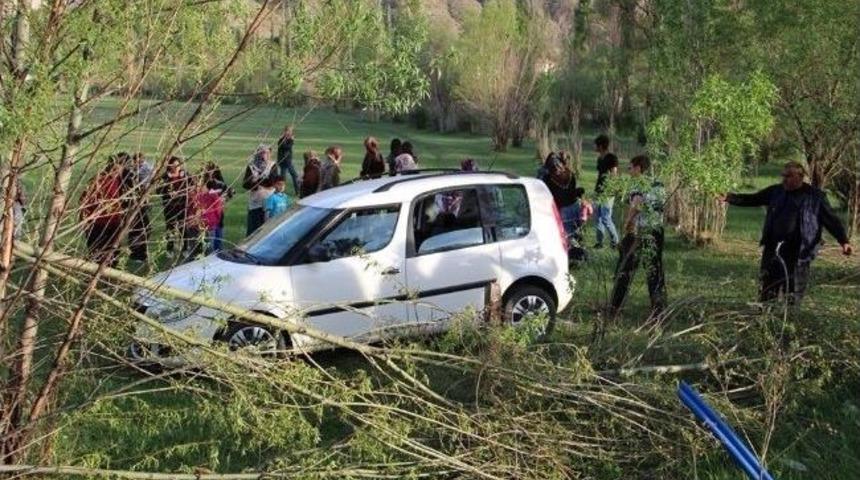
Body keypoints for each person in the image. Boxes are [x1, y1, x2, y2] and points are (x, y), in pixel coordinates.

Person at [722, 161, 853, 304]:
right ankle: (765, 317)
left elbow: (831, 220)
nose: (785, 179)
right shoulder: (776, 191)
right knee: (768, 287)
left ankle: (790, 319)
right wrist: (729, 198)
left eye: (789, 176)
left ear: (800, 177)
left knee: (793, 290)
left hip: (799, 251)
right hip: (773, 248)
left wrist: (844, 241)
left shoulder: (815, 197)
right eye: (783, 175)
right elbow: (753, 199)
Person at [609, 155, 667, 318]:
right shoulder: (658, 183)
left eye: (630, 167)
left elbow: (636, 205)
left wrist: (628, 226)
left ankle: (615, 307)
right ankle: (659, 310)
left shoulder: (638, 183)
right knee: (654, 270)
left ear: (639, 168)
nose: (629, 171)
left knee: (625, 268)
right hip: (657, 230)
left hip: (641, 232)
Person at [80, 157, 124, 266]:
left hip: (113, 222)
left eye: (119, 169)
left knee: (113, 250)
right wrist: (84, 219)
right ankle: (93, 274)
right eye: (114, 169)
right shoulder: (97, 181)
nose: (117, 172)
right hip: (97, 223)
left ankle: (111, 273)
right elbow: (83, 201)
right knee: (96, 251)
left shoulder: (117, 180)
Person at [157, 156, 193, 253]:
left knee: (183, 227)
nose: (176, 167)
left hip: (182, 205)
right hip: (170, 206)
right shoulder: (165, 176)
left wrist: (186, 191)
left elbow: (193, 185)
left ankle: (185, 247)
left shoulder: (185, 174)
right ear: (169, 166)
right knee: (170, 228)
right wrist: (167, 192)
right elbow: (158, 190)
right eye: (173, 165)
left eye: (178, 165)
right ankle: (170, 248)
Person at [542, 154, 584, 238]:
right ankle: (578, 248)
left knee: (568, 235)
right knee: (577, 233)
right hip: (574, 205)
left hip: (564, 208)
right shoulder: (570, 174)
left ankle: (573, 249)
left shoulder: (548, 179)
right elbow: (573, 190)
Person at [121, 152, 153, 262]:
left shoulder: (129, 173)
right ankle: (138, 254)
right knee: (140, 229)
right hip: (133, 205)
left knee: (141, 228)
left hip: (137, 204)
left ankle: (140, 253)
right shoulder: (127, 175)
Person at [242, 144, 279, 235]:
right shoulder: (251, 166)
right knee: (253, 230)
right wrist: (256, 183)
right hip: (255, 203)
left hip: (269, 201)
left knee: (267, 230)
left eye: (267, 153)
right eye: (262, 153)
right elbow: (246, 184)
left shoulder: (272, 165)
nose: (265, 155)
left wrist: (258, 180)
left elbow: (272, 182)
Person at [593, 134, 620, 249]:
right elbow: (600, 175)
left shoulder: (611, 158)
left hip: (608, 192)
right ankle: (599, 242)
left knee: (605, 218)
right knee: (598, 217)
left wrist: (610, 189)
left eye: (596, 145)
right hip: (598, 191)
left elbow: (614, 175)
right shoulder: (600, 159)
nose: (595, 147)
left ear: (601, 146)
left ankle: (615, 242)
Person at [188, 178, 225, 255]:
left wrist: (215, 220)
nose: (200, 188)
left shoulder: (212, 196)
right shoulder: (195, 197)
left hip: (209, 225)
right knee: (201, 245)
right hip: (199, 225)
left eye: (202, 186)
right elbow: (191, 211)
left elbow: (218, 209)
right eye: (198, 186)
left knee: (210, 245)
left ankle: (212, 256)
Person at [202, 161, 233, 251]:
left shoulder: (219, 183)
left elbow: (230, 192)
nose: (210, 173)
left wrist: (224, 200)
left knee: (219, 233)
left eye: (212, 170)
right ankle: (210, 252)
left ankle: (218, 250)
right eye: (208, 170)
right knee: (210, 237)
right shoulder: (203, 184)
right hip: (208, 215)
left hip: (218, 212)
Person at [276, 125, 300, 194]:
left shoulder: (287, 138)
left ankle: (297, 192)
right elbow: (286, 147)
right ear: (285, 131)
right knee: (284, 177)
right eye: (288, 131)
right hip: (284, 161)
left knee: (292, 176)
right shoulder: (283, 139)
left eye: (290, 131)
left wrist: (291, 139)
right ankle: (281, 191)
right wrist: (291, 140)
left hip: (287, 160)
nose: (290, 132)